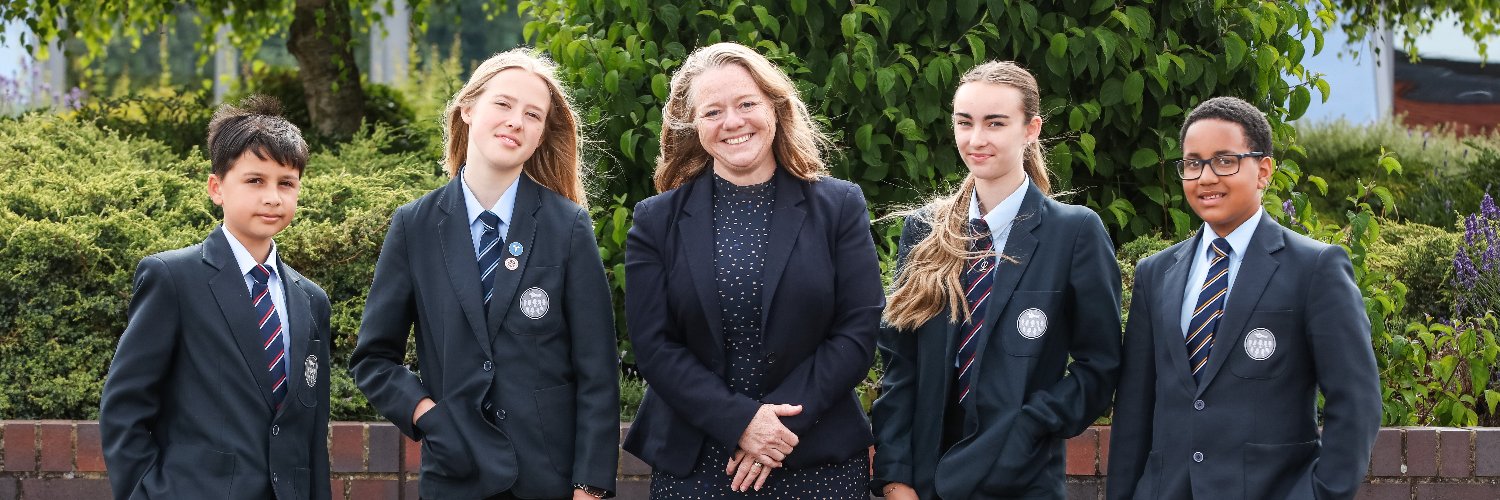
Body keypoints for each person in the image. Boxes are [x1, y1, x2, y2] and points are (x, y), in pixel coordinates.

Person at [349, 48, 618, 500]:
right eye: (503, 104)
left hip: (546, 479)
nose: (516, 121)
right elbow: (374, 359)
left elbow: (598, 372)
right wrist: (429, 417)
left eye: (533, 115)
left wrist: (589, 487)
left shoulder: (567, 226)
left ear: (540, 136)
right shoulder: (414, 226)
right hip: (455, 475)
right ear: (468, 108)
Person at [621, 41, 885, 498]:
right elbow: (654, 346)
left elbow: (857, 330)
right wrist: (741, 422)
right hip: (700, 467)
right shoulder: (655, 220)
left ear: (775, 109)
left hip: (816, 457)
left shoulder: (840, 206)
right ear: (693, 124)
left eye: (747, 104)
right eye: (712, 111)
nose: (733, 122)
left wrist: (775, 430)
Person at [869, 60, 1122, 499]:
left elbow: (1099, 368)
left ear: (1031, 129)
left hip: (1021, 480)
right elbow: (901, 367)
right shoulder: (925, 231)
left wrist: (1029, 427)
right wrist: (895, 479)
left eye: (995, 123)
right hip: (925, 484)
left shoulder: (1074, 232)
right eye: (964, 122)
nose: (976, 139)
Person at [1106, 96, 1381, 499]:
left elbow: (1356, 402)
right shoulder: (1156, 273)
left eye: (1224, 161)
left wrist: (1317, 493)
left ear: (1263, 171)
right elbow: (1134, 409)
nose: (1205, 177)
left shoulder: (1314, 268)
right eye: (1193, 163)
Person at [100, 95, 331, 500]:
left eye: (286, 183)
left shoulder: (311, 300)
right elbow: (125, 406)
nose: (273, 197)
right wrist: (146, 493)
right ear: (216, 188)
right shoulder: (174, 279)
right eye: (255, 180)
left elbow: (311, 431)